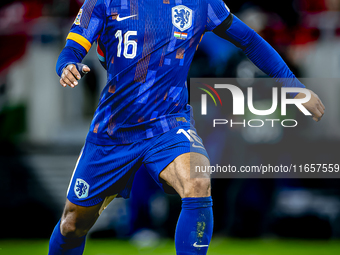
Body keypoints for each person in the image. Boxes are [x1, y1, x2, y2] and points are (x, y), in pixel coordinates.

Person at [49, 0, 325, 254]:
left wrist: (293, 86)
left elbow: (249, 40)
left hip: (168, 124)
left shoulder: (201, 2)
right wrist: (68, 65)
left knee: (197, 181)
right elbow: (72, 49)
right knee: (72, 225)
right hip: (113, 132)